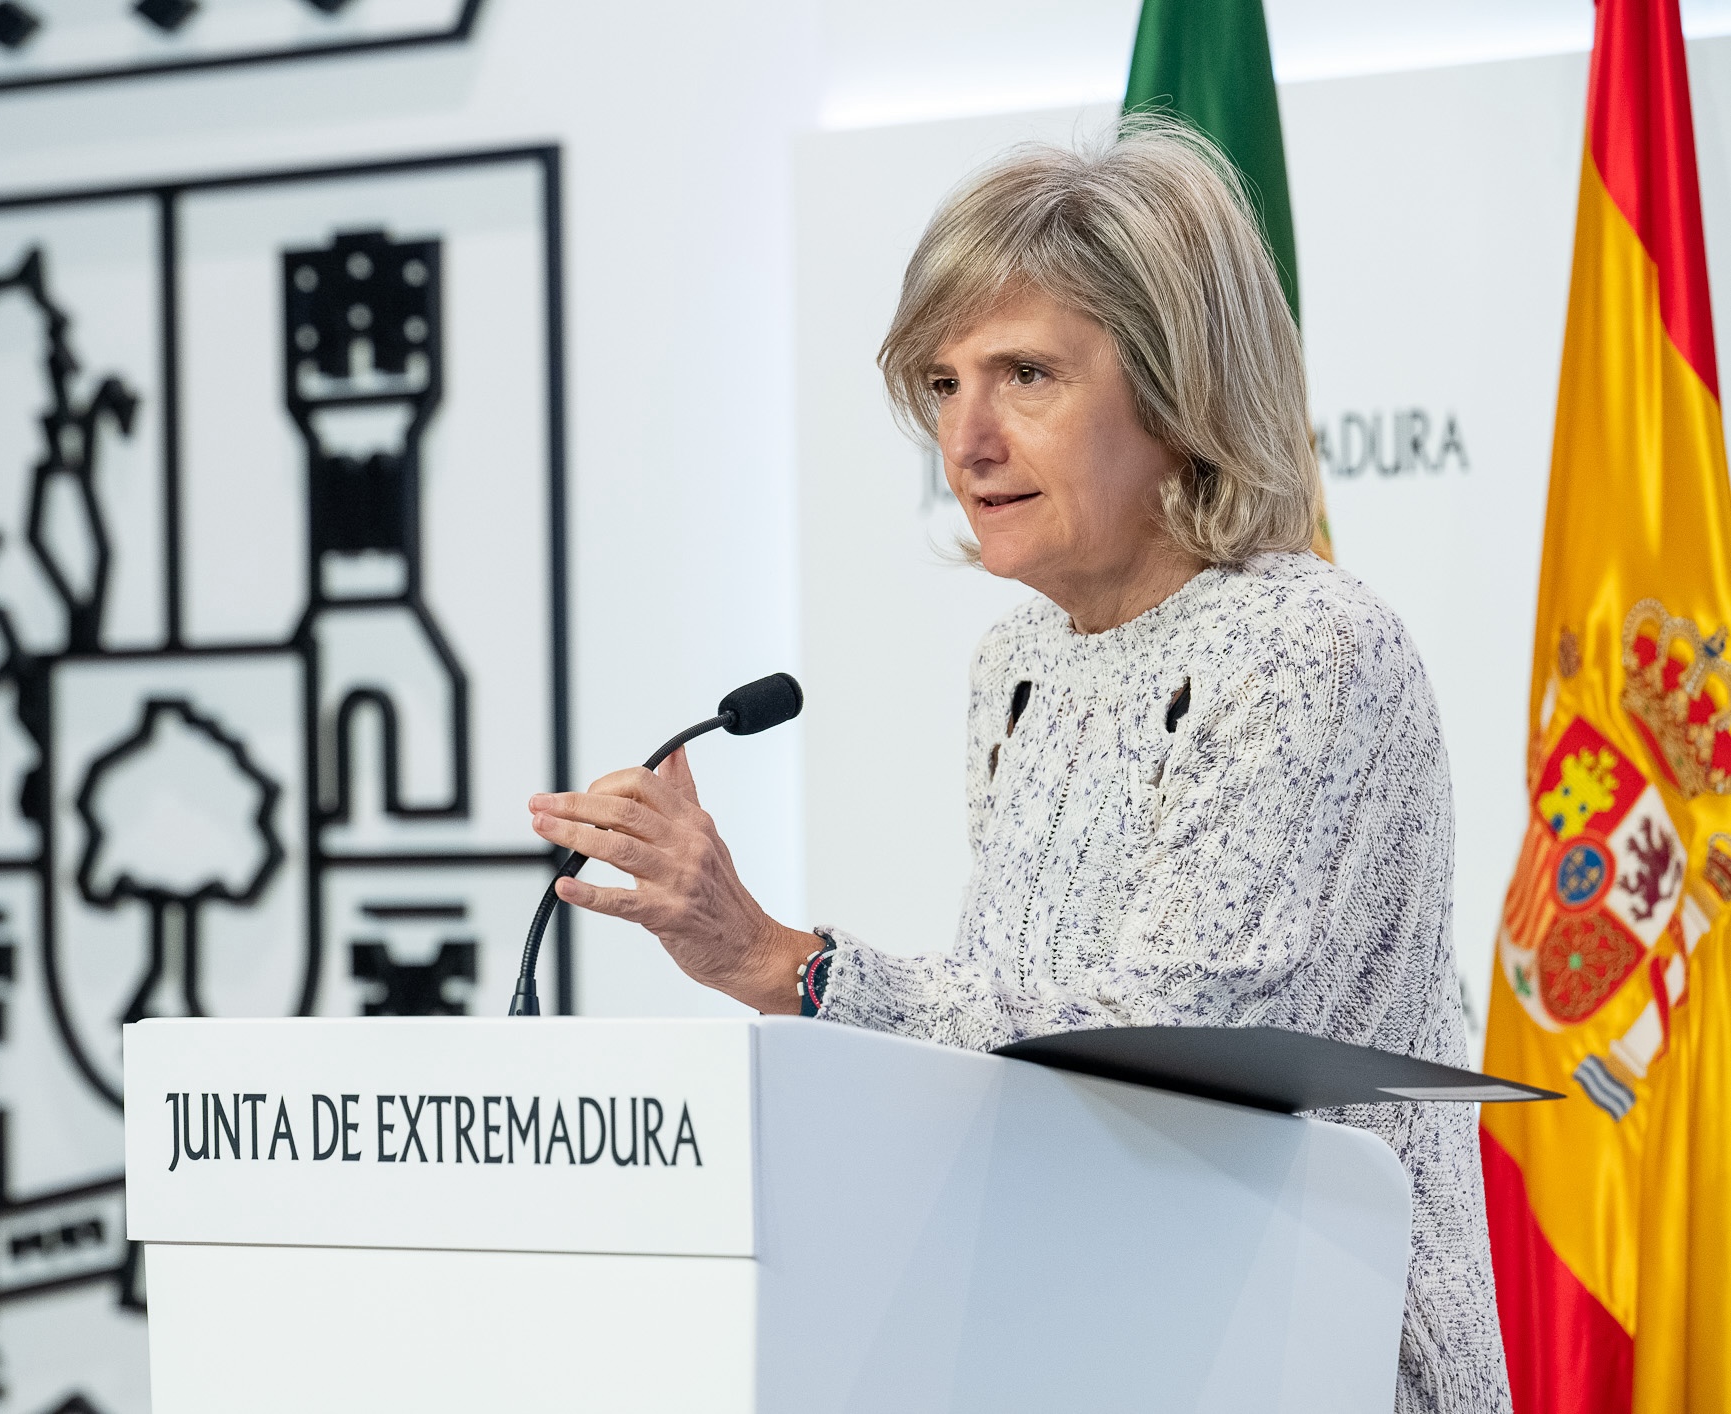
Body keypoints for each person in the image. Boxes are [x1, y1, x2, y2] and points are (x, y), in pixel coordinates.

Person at [526, 118, 1507, 1413]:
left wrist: (795, 968)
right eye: (940, 383)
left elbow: (1179, 1032)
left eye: (1024, 374)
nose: (964, 438)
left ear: (1176, 389)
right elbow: (1005, 1050)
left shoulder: (1307, 641)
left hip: (1307, 1355)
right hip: (1082, 1341)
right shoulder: (1015, 666)